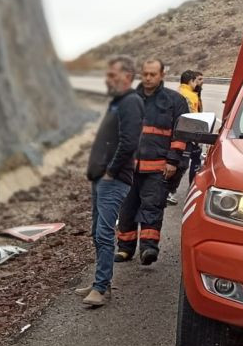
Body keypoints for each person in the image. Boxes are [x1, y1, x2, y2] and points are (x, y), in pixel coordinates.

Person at [80, 56, 143, 308]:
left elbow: (129, 142)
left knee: (105, 234)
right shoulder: (118, 102)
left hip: (113, 180)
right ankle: (99, 281)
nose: (108, 79)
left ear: (127, 76)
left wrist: (111, 171)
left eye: (113, 75)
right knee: (97, 232)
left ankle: (101, 288)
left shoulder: (131, 102)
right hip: (101, 178)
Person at [115, 58, 189, 266]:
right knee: (126, 210)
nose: (148, 78)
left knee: (151, 208)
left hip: (158, 168)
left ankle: (148, 248)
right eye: (145, 74)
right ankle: (125, 249)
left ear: (162, 75)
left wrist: (173, 161)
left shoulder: (175, 101)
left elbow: (180, 135)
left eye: (152, 74)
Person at [170, 69, 204, 203]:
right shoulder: (188, 96)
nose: (201, 83)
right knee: (183, 163)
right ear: (191, 81)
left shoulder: (182, 92)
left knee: (187, 162)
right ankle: (171, 190)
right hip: (187, 135)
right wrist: (196, 136)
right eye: (199, 80)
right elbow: (190, 117)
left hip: (183, 134)